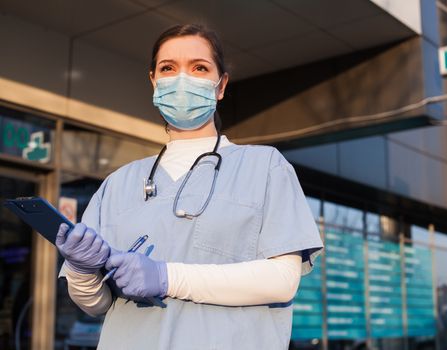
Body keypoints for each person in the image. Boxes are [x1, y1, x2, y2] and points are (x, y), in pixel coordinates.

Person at [56, 24, 323, 350]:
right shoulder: (118, 184)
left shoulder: (265, 166)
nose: (182, 79)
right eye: (168, 68)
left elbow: (282, 281)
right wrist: (83, 273)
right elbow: (95, 304)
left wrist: (167, 277)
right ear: (154, 82)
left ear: (220, 85)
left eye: (199, 68)